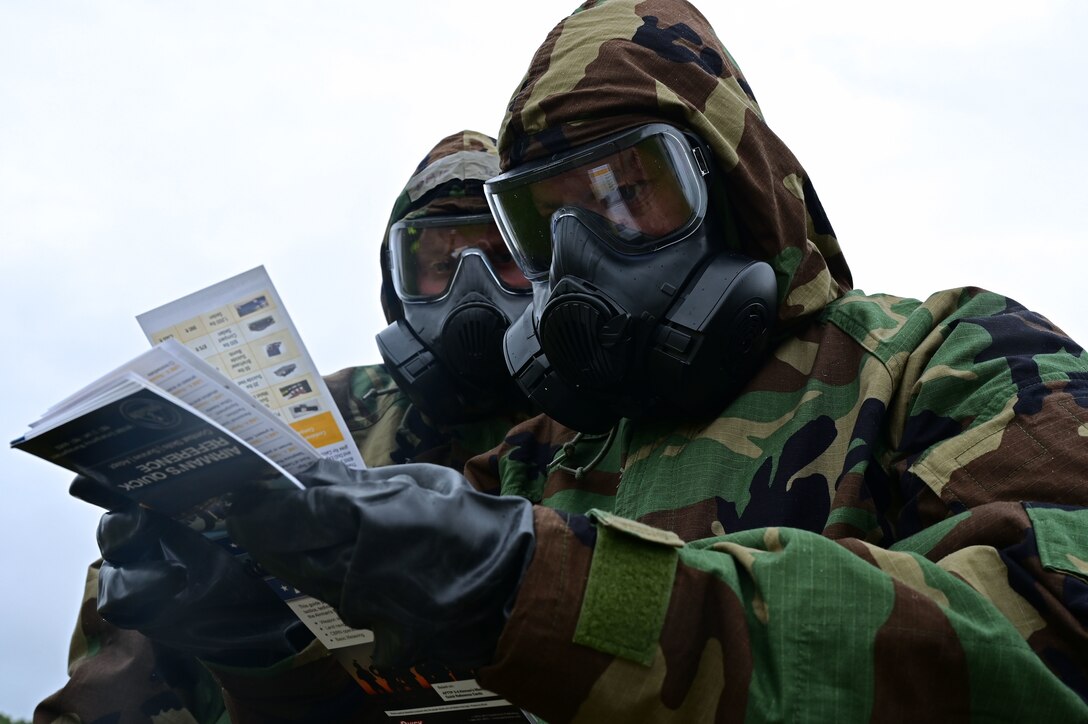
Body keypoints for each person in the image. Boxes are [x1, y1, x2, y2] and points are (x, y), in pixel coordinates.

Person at [224, 1, 1088, 722]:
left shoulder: (947, 356)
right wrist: (258, 646)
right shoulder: (534, 460)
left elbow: (1049, 636)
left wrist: (544, 587)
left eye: (627, 192)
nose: (583, 252)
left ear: (732, 182)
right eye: (547, 220)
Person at [34, 130, 537, 724]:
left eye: (505, 256)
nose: (473, 287)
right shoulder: (323, 422)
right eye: (441, 264)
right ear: (395, 287)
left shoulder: (614, 426)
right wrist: (233, 629)